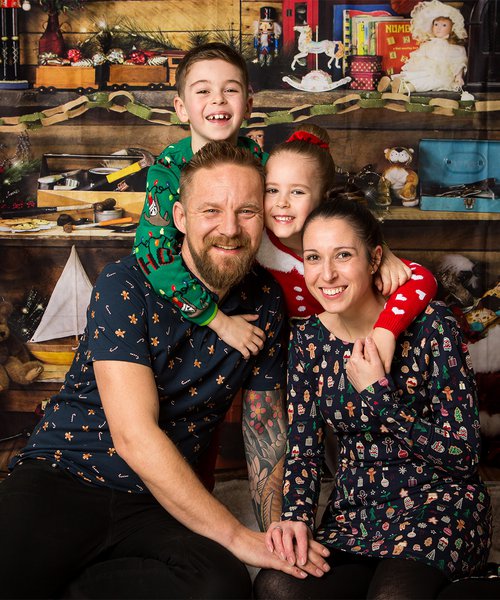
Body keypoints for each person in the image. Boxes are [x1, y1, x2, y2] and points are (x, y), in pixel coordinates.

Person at [0, 143, 333, 600]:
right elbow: (134, 435)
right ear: (179, 217)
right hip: (65, 475)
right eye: (211, 210)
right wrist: (237, 536)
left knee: (222, 585)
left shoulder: (266, 301)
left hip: (160, 499)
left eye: (247, 211)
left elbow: (264, 432)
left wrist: (276, 534)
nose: (230, 229)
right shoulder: (125, 283)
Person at [254, 196, 492, 600]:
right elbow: (303, 449)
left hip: (439, 507)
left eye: (343, 255)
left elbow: (465, 455)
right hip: (355, 516)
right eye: (313, 258)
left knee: (392, 595)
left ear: (375, 258)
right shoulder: (308, 340)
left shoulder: (432, 325)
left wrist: (380, 398)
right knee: (276, 587)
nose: (327, 274)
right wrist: (296, 518)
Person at [257, 124, 438, 371]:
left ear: (323, 199)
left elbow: (423, 279)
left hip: (346, 358)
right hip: (284, 367)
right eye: (272, 190)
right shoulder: (255, 243)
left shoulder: (348, 245)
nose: (282, 202)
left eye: (297, 192)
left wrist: (386, 330)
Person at [133, 42, 268, 360]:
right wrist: (219, 321)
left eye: (230, 89)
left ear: (248, 105)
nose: (218, 99)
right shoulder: (167, 171)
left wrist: (376, 254)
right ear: (182, 108)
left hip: (246, 286)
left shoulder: (260, 161)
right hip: (183, 304)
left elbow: (310, 211)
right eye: (203, 91)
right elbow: (153, 253)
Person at [378, 0, 468, 94]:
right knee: (415, 75)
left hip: (441, 74)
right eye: (436, 24)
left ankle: (405, 87)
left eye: (444, 25)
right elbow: (419, 56)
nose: (438, 28)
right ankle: (391, 83)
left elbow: (459, 62)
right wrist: (415, 65)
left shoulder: (453, 47)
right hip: (426, 69)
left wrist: (459, 76)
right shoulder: (428, 43)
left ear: (452, 28)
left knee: (430, 82)